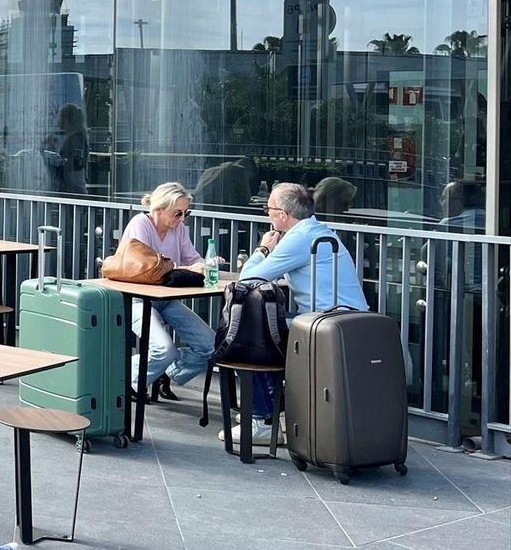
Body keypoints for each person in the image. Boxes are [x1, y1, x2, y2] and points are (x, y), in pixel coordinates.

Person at [228, 182, 368, 443]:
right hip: (347, 320)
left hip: (325, 324)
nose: (266, 215)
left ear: (283, 214)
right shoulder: (318, 230)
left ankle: (260, 418)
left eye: (268, 209)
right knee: (268, 331)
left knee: (245, 338)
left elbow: (248, 278)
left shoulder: (298, 238)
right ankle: (273, 409)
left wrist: (263, 249)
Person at [119, 183, 215, 401]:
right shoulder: (140, 224)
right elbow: (146, 267)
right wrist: (188, 269)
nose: (182, 218)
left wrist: (207, 264)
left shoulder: (179, 229)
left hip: (166, 298)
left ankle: (167, 371)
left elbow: (192, 257)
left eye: (185, 213)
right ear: (159, 209)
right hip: (137, 299)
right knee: (163, 349)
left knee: (211, 345)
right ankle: (126, 379)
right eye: (177, 213)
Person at [55, 102, 89, 195]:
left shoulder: (76, 138)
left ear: (65, 119)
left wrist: (60, 163)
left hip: (73, 186)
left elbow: (76, 163)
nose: (57, 119)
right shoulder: (74, 136)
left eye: (59, 116)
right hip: (70, 184)